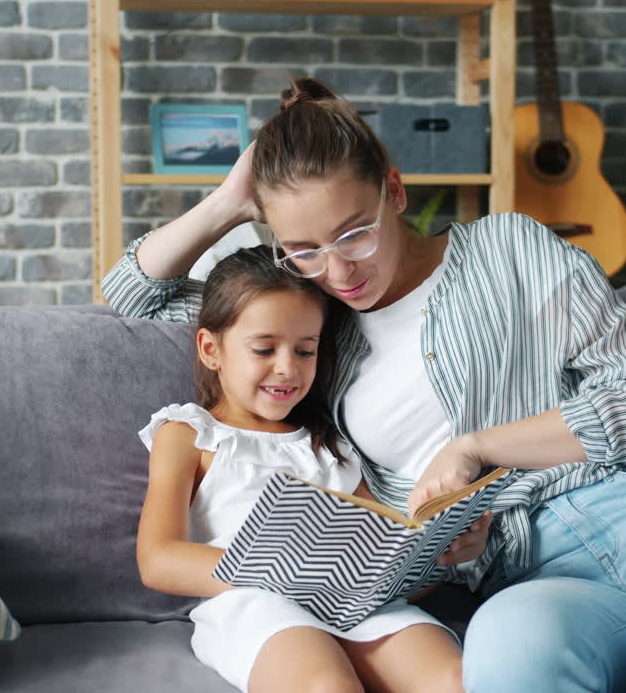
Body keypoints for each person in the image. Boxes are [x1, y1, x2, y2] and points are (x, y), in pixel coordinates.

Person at [109, 77, 626, 693]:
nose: (338, 270)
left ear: (393, 188)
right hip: (534, 574)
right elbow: (131, 298)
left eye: (355, 233)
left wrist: (478, 447)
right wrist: (234, 200)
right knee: (503, 665)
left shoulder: (509, 248)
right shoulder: (315, 329)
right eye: (305, 248)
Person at [135, 244, 467, 693]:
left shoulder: (331, 445)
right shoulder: (190, 434)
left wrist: (439, 554)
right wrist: (290, 570)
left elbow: (377, 566)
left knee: (455, 679)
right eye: (264, 348)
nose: (287, 368)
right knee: (327, 685)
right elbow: (158, 560)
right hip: (252, 605)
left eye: (305, 351)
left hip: (350, 604)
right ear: (211, 349)